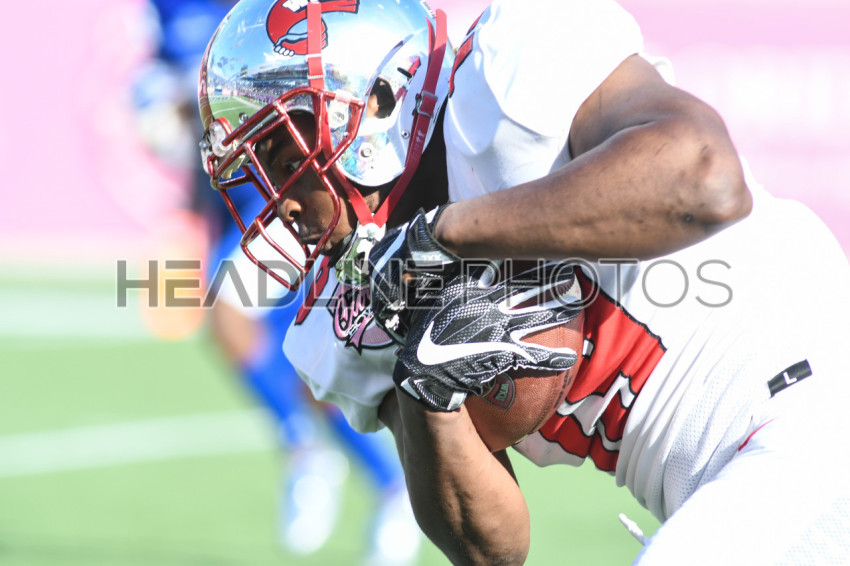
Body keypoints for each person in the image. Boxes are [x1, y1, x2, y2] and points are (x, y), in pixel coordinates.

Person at [197, 0, 850, 564]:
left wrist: (444, 236)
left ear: (376, 102)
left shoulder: (507, 70)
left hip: (810, 402)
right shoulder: (355, 305)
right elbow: (492, 550)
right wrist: (426, 387)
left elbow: (706, 180)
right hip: (723, 481)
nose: (280, 202)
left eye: (285, 155)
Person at [135, 0, 421, 562]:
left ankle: (332, 462)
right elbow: (166, 86)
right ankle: (380, 482)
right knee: (296, 359)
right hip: (238, 197)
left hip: (293, 192)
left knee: (255, 328)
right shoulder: (167, 11)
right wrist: (163, 105)